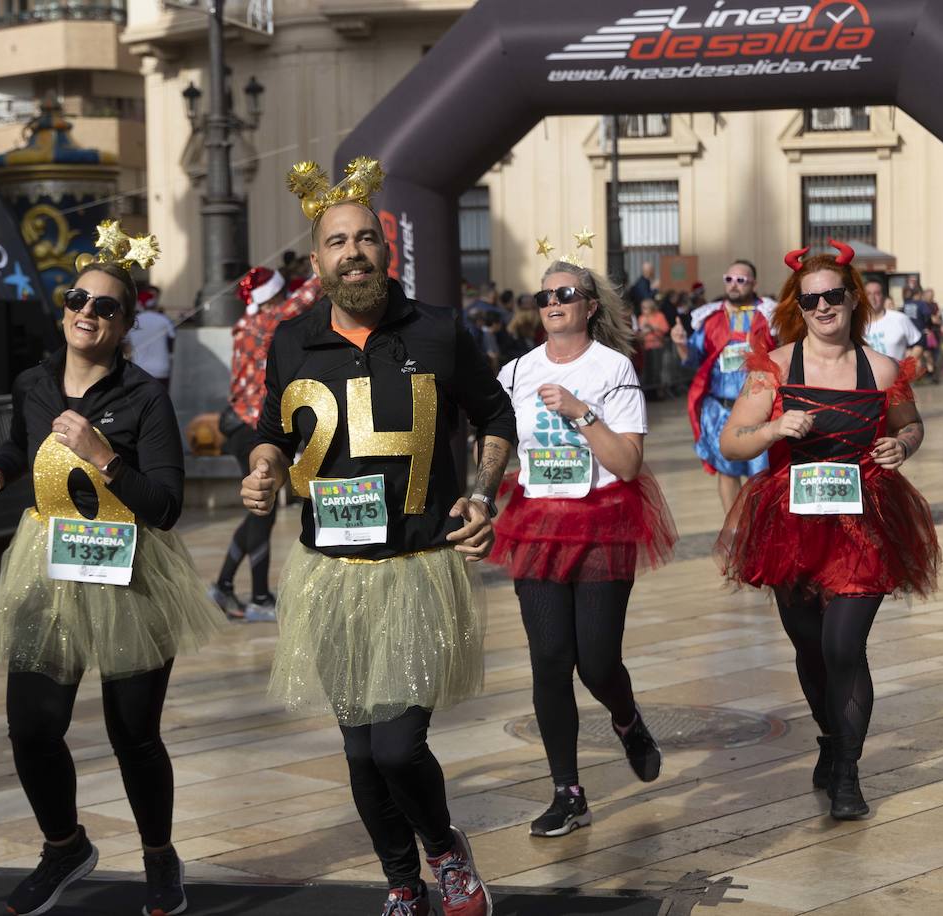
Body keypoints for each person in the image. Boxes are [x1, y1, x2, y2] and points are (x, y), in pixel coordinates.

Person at [242, 158, 515, 916]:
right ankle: (401, 880)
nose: (353, 251)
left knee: (397, 746)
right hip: (330, 574)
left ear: (386, 251)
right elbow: (269, 431)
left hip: (417, 567)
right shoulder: (291, 341)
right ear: (317, 258)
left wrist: (481, 492)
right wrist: (263, 468)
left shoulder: (434, 330)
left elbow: (495, 415)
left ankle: (445, 851)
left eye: (366, 237)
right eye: (337, 241)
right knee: (360, 752)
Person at [0, 235, 224, 916]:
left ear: (126, 325)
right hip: (47, 564)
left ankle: (159, 855)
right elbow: (20, 444)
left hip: (131, 568)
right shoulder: (33, 384)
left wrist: (105, 458)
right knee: (31, 728)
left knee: (134, 734)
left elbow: (166, 506)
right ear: (63, 310)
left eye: (106, 305)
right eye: (77, 299)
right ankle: (63, 844)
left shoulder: (145, 398)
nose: (87, 311)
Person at [716, 240, 939, 822]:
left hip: (862, 525)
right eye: (810, 299)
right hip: (789, 525)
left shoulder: (881, 368)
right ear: (798, 305)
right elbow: (731, 440)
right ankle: (830, 737)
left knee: (844, 647)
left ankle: (847, 771)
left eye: (832, 296)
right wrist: (773, 429)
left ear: (851, 299)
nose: (822, 308)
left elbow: (911, 424)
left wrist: (901, 445)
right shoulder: (777, 368)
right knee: (811, 650)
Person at [490, 259, 677, 838]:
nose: (553, 302)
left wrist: (582, 411)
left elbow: (626, 463)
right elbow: (495, 442)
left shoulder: (612, 367)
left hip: (602, 520)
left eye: (566, 293)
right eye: (543, 294)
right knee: (548, 660)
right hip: (537, 524)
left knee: (595, 662)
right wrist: (478, 492)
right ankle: (567, 792)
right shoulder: (516, 371)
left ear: (590, 305)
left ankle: (626, 719)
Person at [211, 266, 321, 621]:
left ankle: (224, 586)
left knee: (260, 509)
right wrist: (321, 270)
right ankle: (258, 596)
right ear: (272, 295)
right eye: (281, 291)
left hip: (242, 426)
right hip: (251, 428)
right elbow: (301, 301)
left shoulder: (247, 321)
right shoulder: (264, 323)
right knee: (264, 510)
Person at [670, 259, 778, 512]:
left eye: (741, 280)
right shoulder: (710, 318)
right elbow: (695, 360)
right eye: (729, 279)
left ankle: (756, 529)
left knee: (760, 476)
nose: (734, 285)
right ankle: (734, 530)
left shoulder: (770, 316)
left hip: (759, 410)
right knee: (726, 472)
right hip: (719, 408)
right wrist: (680, 344)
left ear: (754, 284)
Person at [125, 285, 176, 387]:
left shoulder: (133, 322)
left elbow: (126, 345)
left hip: (139, 370)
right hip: (161, 370)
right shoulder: (163, 319)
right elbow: (173, 338)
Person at [863, 279, 923, 362]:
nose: (872, 298)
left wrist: (906, 367)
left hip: (896, 373)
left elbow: (919, 343)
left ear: (883, 297)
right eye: (868, 294)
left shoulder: (899, 319)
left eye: (877, 294)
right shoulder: (856, 324)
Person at [637, 298, 669, 397]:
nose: (643, 309)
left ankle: (658, 392)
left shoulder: (659, 316)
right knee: (647, 370)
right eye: (642, 307)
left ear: (651, 308)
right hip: (645, 346)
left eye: (645, 307)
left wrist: (652, 327)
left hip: (657, 345)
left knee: (657, 369)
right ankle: (649, 393)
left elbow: (665, 328)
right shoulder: (641, 318)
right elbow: (639, 331)